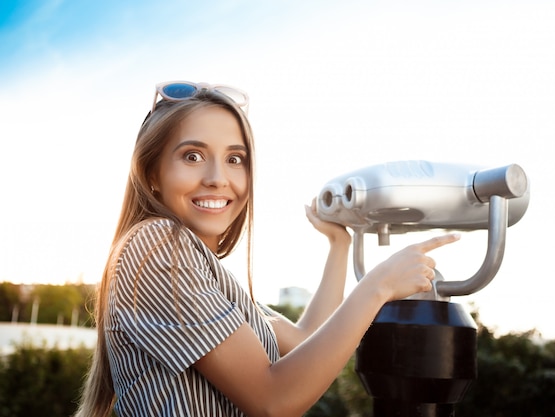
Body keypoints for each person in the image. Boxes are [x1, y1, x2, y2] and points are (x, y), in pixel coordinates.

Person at [74, 81, 460, 417]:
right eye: (192, 156)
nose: (217, 178)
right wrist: (378, 287)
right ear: (151, 174)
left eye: (234, 159)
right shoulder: (158, 246)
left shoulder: (206, 275)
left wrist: (338, 244)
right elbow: (275, 400)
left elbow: (309, 342)